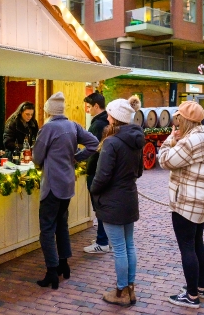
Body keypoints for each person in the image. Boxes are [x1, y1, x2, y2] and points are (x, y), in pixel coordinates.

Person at [32, 92, 99, 290]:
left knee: (46, 229)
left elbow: (37, 157)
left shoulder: (48, 128)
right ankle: (64, 264)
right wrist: (77, 157)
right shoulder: (73, 125)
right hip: (68, 183)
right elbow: (93, 143)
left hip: (52, 185)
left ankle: (52, 271)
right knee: (62, 224)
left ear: (49, 111)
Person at [158, 101, 204, 309]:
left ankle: (191, 296)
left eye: (178, 119)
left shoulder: (190, 141)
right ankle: (201, 288)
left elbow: (165, 160)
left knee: (187, 247)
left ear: (185, 120)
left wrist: (170, 139)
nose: (176, 122)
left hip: (186, 200)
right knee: (197, 243)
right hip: (203, 200)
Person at [90, 99, 144, 306]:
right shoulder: (136, 139)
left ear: (114, 118)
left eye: (109, 114)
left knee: (120, 248)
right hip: (129, 197)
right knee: (129, 245)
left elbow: (102, 176)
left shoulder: (112, 142)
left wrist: (94, 190)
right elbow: (138, 171)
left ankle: (121, 292)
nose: (107, 117)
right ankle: (130, 288)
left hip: (112, 200)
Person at [82, 92, 111, 254]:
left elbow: (91, 148)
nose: (87, 110)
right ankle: (105, 238)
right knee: (103, 206)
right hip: (103, 169)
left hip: (96, 170)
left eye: (88, 107)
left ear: (96, 106)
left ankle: (102, 241)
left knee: (99, 207)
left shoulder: (97, 125)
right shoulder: (106, 121)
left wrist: (78, 158)